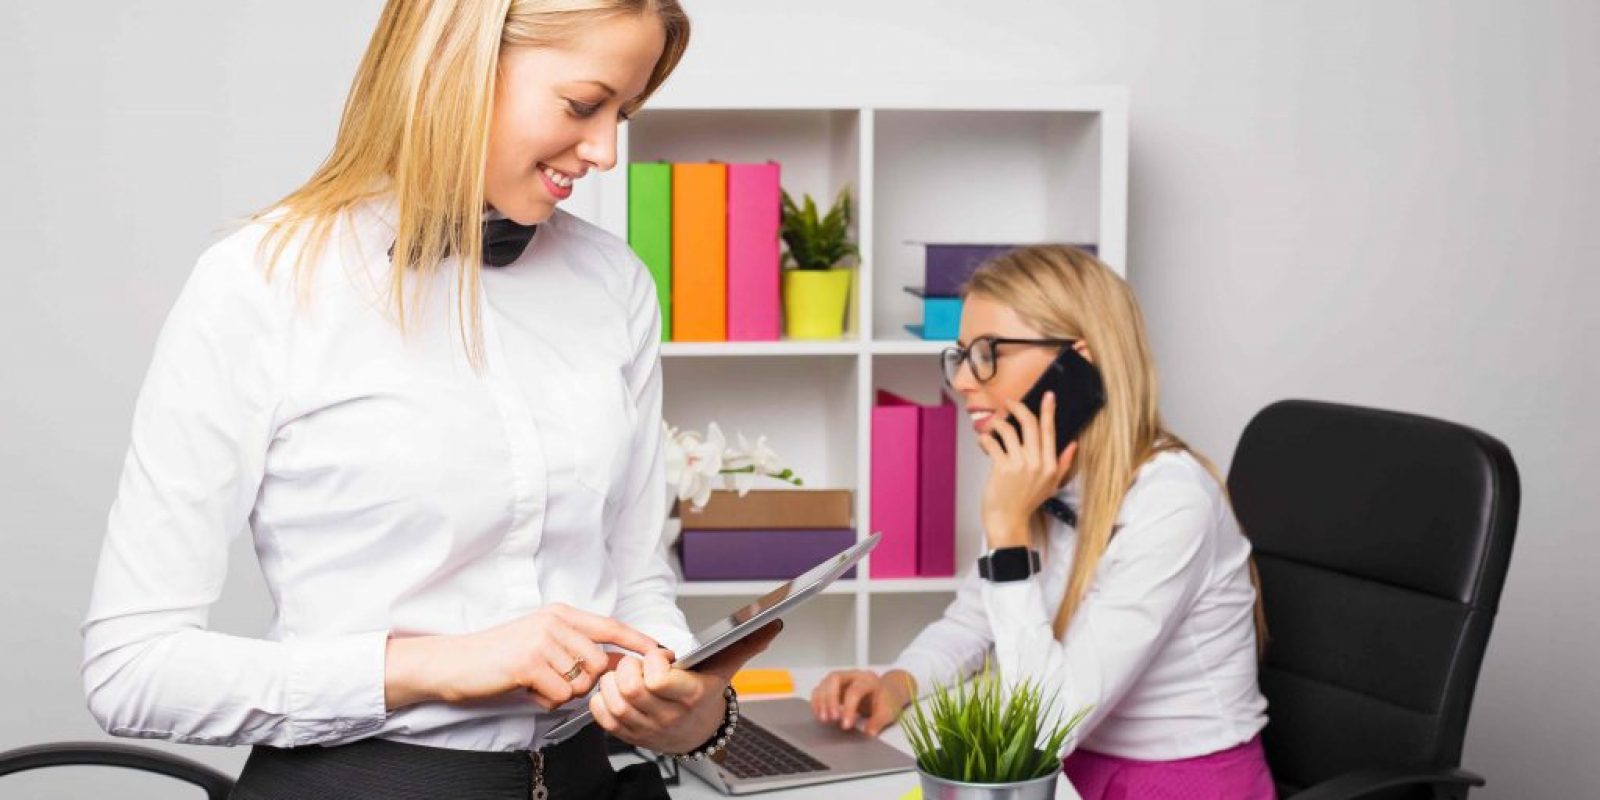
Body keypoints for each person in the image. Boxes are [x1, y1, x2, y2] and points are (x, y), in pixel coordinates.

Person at [79, 2, 776, 798]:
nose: (607, 150)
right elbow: (131, 670)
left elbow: (636, 581)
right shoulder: (261, 283)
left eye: (624, 112)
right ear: (458, 64)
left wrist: (680, 703)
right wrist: (440, 666)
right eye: (585, 105)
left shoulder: (615, 285)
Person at [811, 245, 1276, 798]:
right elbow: (973, 623)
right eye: (959, 356)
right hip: (1069, 774)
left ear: (1077, 364)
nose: (962, 381)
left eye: (987, 353)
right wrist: (896, 682)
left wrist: (1007, 536)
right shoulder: (1036, 478)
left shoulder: (1171, 500)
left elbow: (1048, 723)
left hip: (1181, 784)